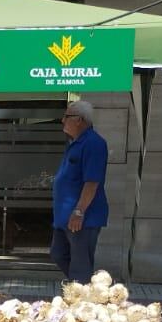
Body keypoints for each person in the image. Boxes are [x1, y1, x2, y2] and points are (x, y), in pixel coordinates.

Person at [51, 99, 110, 284]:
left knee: (80, 264)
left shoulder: (94, 143)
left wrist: (79, 211)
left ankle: (83, 296)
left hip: (82, 217)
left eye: (66, 117)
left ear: (79, 120)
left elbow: (92, 182)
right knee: (58, 253)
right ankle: (83, 288)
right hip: (64, 216)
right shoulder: (74, 143)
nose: (63, 121)